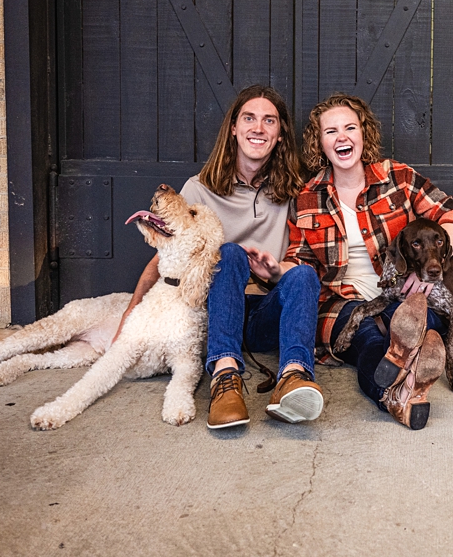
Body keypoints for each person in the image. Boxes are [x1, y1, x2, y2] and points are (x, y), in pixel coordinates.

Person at [115, 85, 324, 429]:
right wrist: (131, 309)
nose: (259, 127)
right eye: (249, 118)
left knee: (303, 275)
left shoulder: (294, 190)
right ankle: (225, 377)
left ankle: (293, 378)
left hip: (265, 314)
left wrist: (275, 272)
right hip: (217, 314)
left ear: (280, 133)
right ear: (234, 128)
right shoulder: (199, 189)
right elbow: (167, 253)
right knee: (228, 253)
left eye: (269, 121)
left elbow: (306, 258)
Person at [286, 92, 453, 429]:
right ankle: (402, 390)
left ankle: (413, 355)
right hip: (341, 302)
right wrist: (273, 271)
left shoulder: (397, 177)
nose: (342, 137)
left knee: (411, 320)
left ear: (363, 134)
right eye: (331, 132)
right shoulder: (307, 197)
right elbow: (299, 264)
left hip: (402, 295)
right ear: (319, 143)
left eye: (350, 128)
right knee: (369, 342)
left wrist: (435, 269)